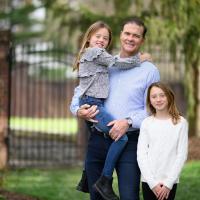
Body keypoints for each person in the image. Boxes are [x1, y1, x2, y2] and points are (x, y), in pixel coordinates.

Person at [70, 17, 160, 200]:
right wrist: (77, 111)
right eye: (127, 33)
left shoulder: (149, 70)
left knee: (129, 196)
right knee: (98, 197)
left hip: (129, 142)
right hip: (98, 140)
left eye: (136, 35)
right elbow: (80, 91)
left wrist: (128, 122)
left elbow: (154, 110)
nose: (130, 38)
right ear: (120, 36)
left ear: (142, 40)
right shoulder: (105, 62)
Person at [137, 82, 188, 200]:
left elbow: (181, 155)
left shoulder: (180, 123)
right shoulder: (146, 123)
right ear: (150, 100)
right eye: (154, 96)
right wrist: (152, 183)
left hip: (170, 182)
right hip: (149, 181)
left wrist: (168, 183)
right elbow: (141, 155)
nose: (158, 99)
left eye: (162, 95)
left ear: (169, 97)